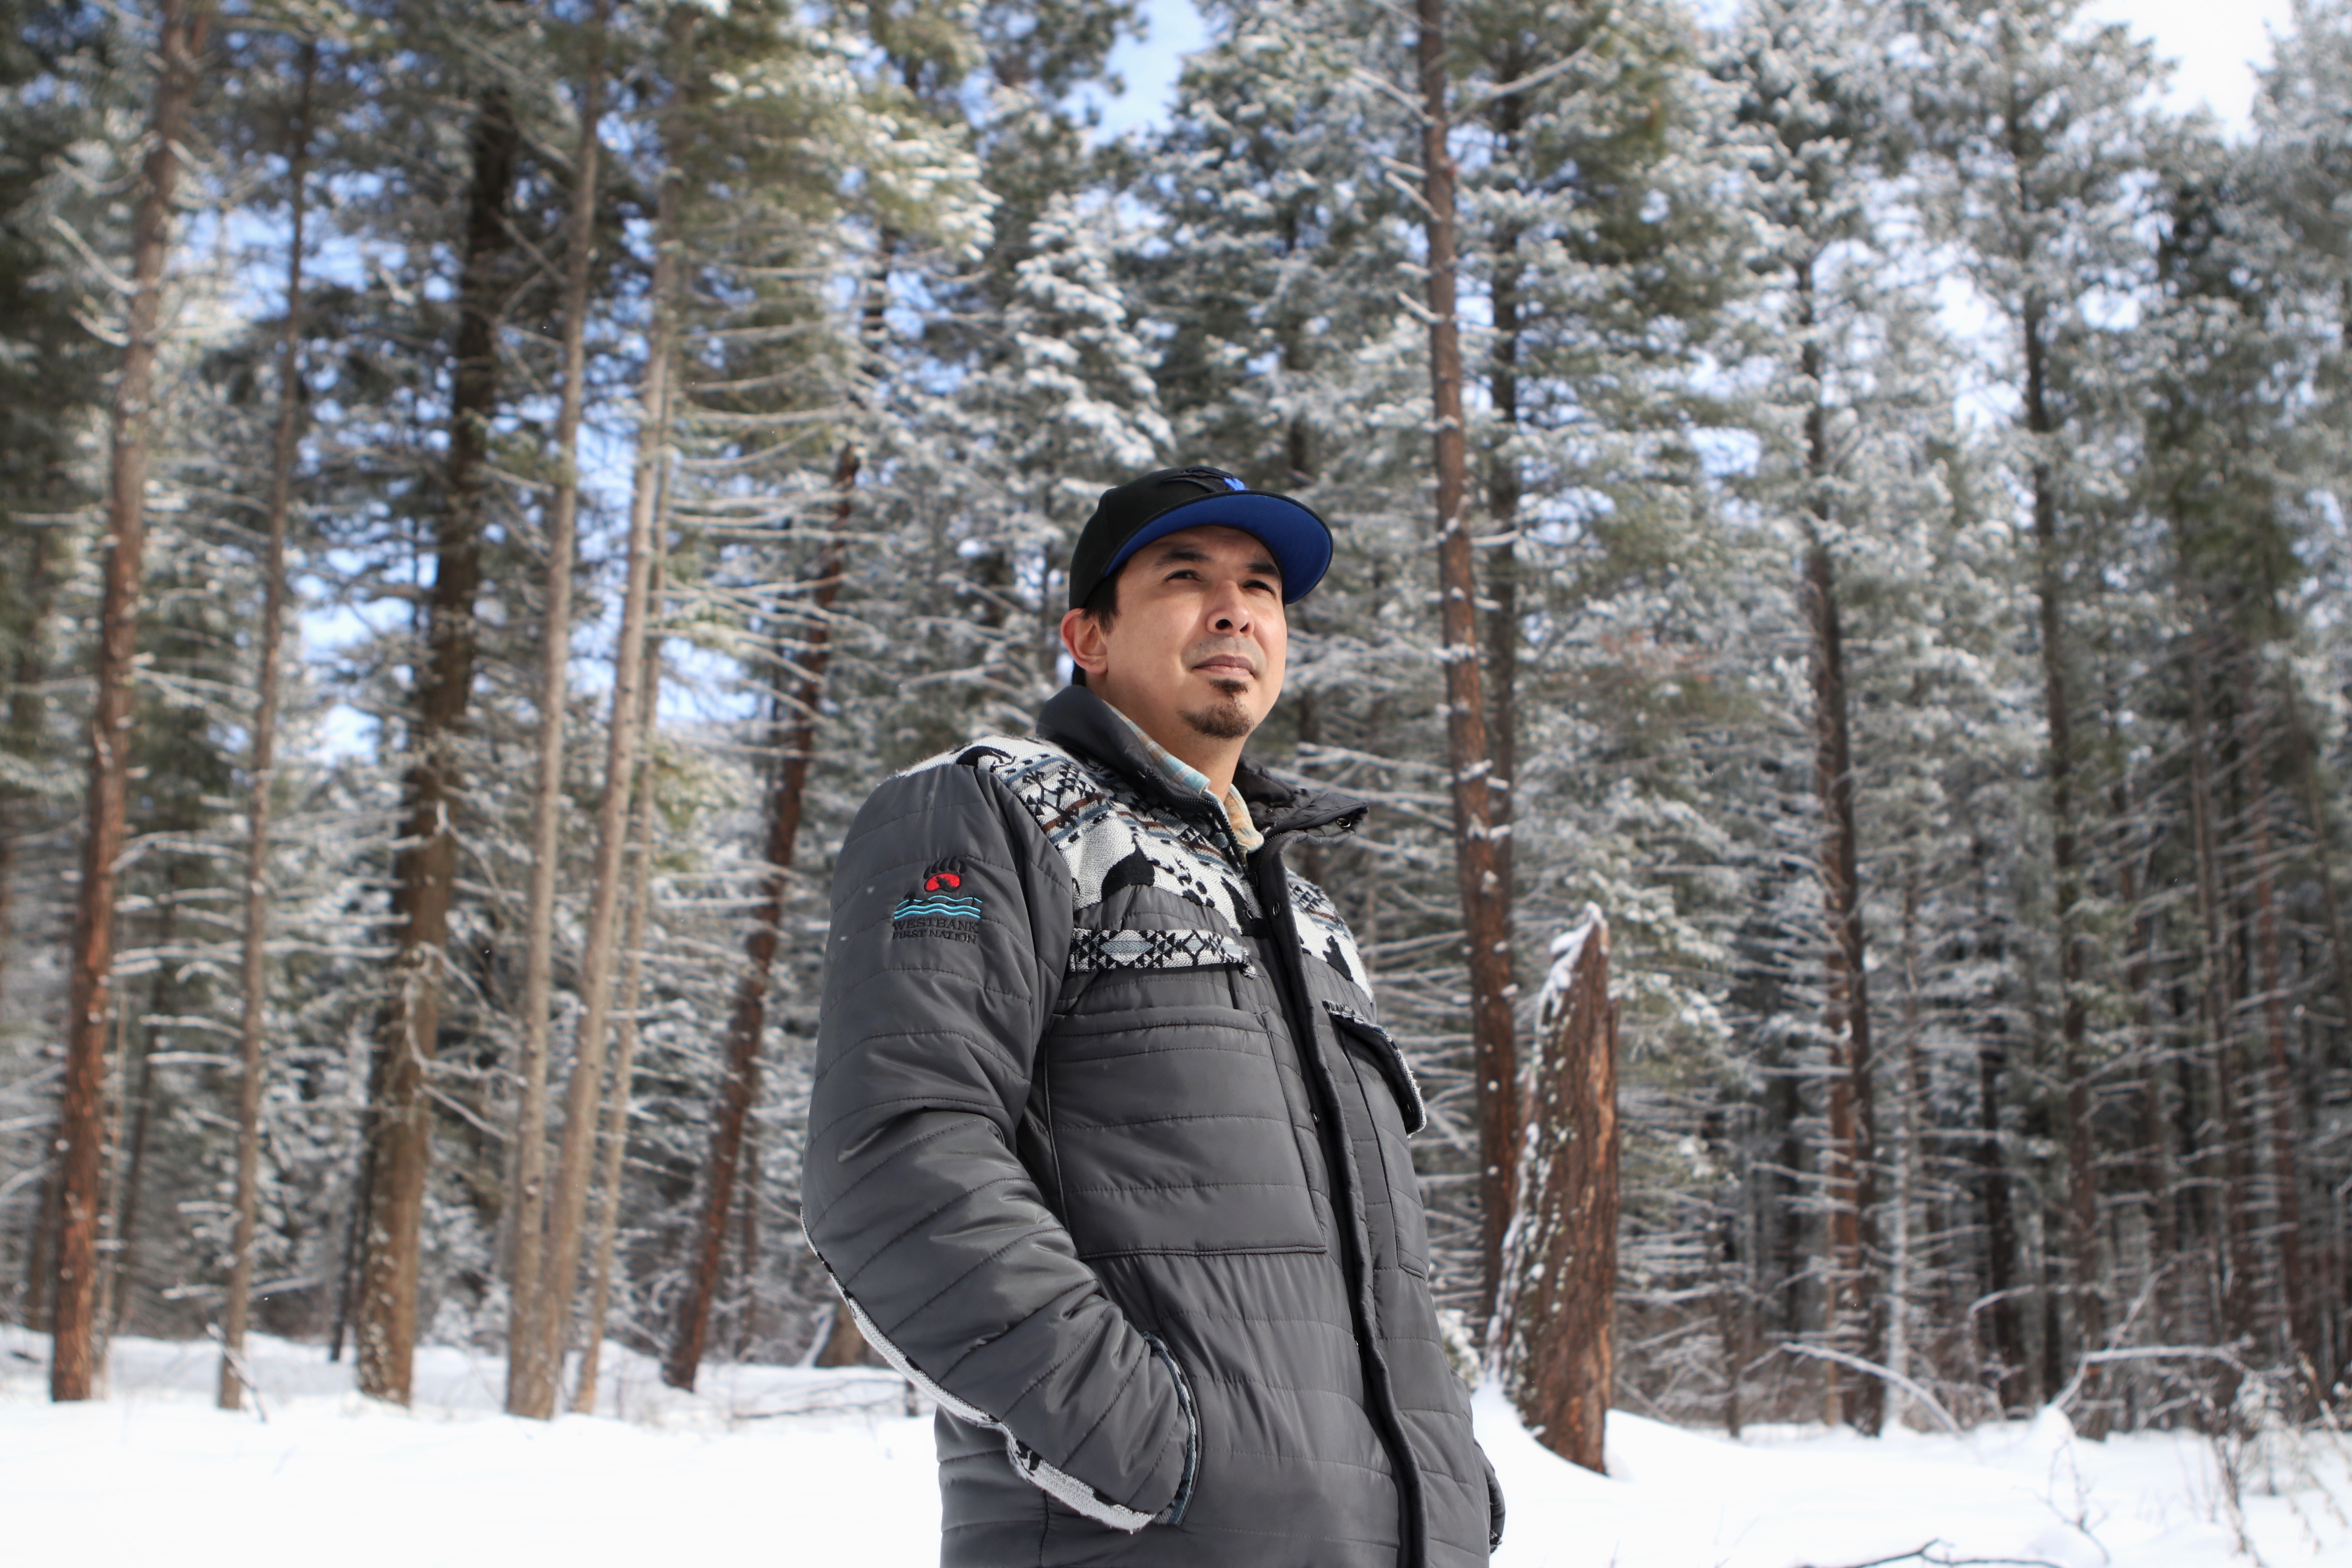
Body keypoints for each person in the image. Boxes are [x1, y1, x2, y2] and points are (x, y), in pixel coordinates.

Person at [802, 466, 1503, 1567]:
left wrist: (1449, 1473)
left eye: (1261, 587)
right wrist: (1160, 1453)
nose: (1236, 610)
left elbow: (1365, 1257)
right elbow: (895, 1159)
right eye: (1186, 578)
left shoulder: (1306, 914)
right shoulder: (990, 809)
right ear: (1089, 636)